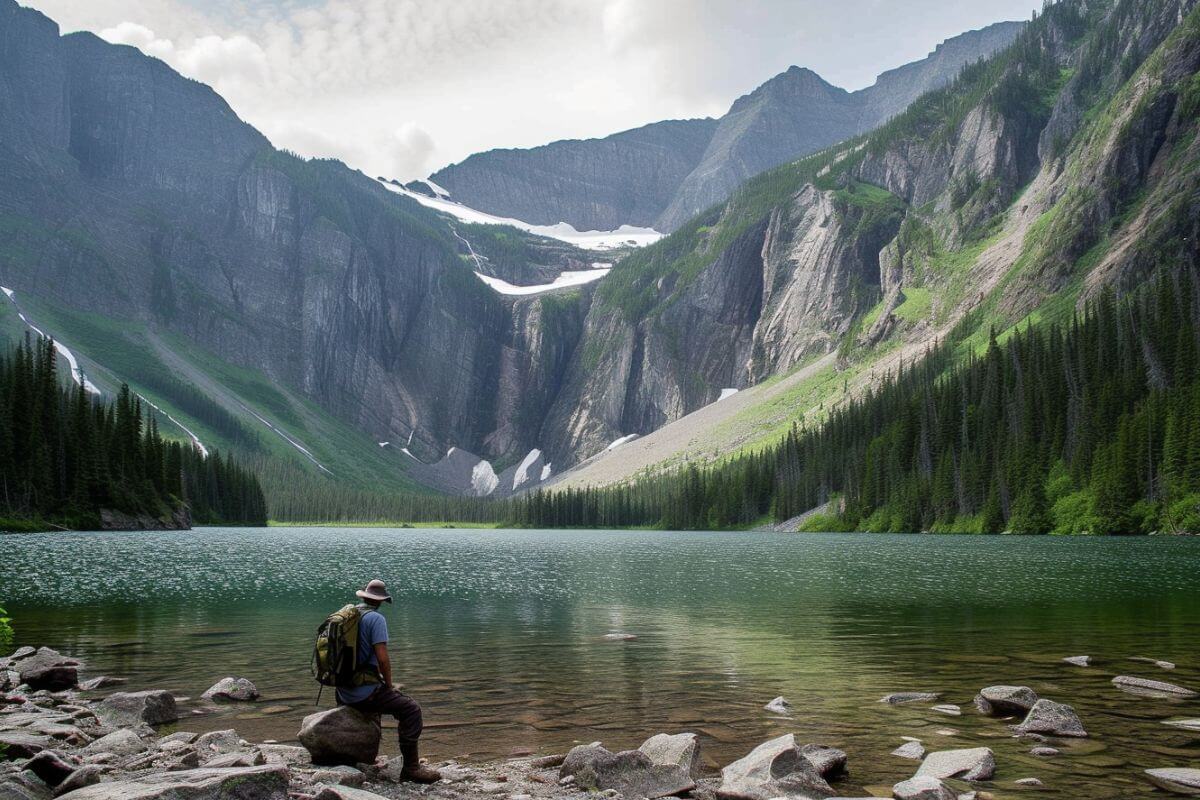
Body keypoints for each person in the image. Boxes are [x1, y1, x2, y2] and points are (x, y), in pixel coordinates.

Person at [337, 579, 441, 783]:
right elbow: (383, 659)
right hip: (363, 693)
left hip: (342, 691)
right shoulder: (376, 619)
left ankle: (364, 755)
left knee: (379, 699)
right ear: (381, 601)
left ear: (364, 596)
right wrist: (389, 685)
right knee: (411, 710)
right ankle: (411, 768)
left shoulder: (347, 615)